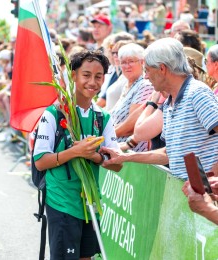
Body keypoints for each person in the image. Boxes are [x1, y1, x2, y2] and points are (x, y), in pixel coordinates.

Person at [33, 50, 122, 260]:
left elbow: (117, 163)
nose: (92, 82)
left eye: (98, 77)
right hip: (62, 201)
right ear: (73, 76)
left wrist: (94, 157)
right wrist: (75, 152)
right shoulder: (54, 113)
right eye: (86, 75)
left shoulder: (103, 117)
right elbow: (40, 162)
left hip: (91, 202)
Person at [100, 38, 218, 180]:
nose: (146, 76)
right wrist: (124, 156)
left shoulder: (196, 93)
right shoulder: (169, 103)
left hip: (205, 194)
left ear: (162, 69)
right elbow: (167, 154)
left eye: (148, 70)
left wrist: (211, 178)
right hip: (189, 193)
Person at [110, 43, 153, 152]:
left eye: (131, 61)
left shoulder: (145, 85)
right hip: (119, 149)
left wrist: (107, 135)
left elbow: (132, 126)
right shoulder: (127, 85)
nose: (127, 65)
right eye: (123, 62)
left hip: (133, 152)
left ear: (142, 62)